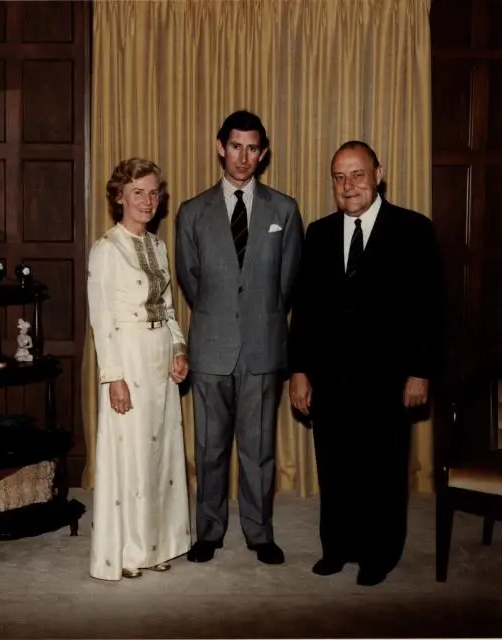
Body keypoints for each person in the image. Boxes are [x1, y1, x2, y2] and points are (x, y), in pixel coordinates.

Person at [289, 141, 442, 587]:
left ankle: (380, 554)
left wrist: (421, 371)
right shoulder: (317, 233)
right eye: (339, 177)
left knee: (383, 468)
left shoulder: (414, 230)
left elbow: (430, 308)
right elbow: (305, 309)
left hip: (389, 378)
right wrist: (299, 370)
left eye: (357, 174)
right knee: (335, 466)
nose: (348, 185)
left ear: (379, 173)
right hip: (331, 378)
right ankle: (337, 547)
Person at [175, 110, 303, 565]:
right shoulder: (192, 212)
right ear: (220, 147)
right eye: (235, 146)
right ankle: (208, 531)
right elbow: (190, 280)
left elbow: (288, 283)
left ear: (262, 153)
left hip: (263, 347)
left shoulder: (284, 210)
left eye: (252, 148)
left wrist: (258, 317)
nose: (243, 157)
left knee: (259, 449)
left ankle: (259, 532)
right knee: (208, 449)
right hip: (211, 348)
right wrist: (220, 315)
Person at [87, 158, 191, 581]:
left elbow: (166, 307)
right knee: (129, 454)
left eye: (153, 193)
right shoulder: (106, 249)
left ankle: (156, 545)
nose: (147, 201)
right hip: (127, 357)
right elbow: (100, 318)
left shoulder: (158, 246)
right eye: (138, 193)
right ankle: (127, 552)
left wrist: (178, 349)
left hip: (159, 357)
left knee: (159, 455)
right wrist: (113, 377)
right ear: (119, 197)